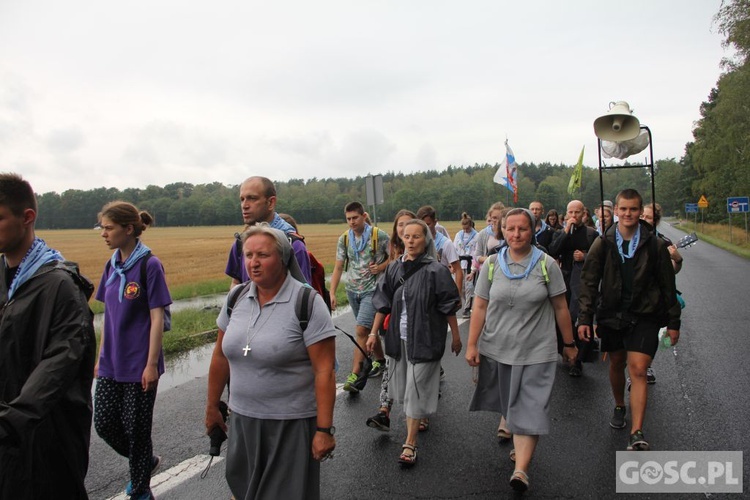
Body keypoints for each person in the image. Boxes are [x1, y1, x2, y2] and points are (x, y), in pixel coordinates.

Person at [206, 224, 336, 499]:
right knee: (244, 491)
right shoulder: (236, 297)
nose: (253, 263)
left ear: (283, 258)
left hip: (290, 423)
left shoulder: (307, 302)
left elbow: (324, 370)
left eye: (262, 255)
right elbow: (220, 355)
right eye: (248, 255)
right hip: (242, 419)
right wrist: (211, 406)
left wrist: (324, 429)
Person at [466, 208, 577, 493]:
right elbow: (479, 306)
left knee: (530, 407)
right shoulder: (491, 264)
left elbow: (561, 306)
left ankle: (521, 469)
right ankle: (519, 443)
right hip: (499, 348)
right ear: (502, 230)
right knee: (511, 405)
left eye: (523, 229)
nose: (516, 234)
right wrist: (472, 343)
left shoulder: (546, 264)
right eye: (510, 229)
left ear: (533, 230)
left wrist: (569, 343)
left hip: (538, 350)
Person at [0, 173, 96, 499]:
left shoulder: (60, 287)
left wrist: (11, 423)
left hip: (46, 449)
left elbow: (59, 364)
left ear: (27, 218)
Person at [577, 189, 681, 452]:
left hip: (645, 315)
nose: (628, 214)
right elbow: (589, 282)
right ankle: (619, 404)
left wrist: (673, 322)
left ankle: (637, 431)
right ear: (616, 211)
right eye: (623, 209)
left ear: (640, 210)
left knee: (637, 369)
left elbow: (669, 285)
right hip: (612, 314)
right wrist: (585, 318)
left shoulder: (654, 244)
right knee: (617, 364)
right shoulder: (604, 242)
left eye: (633, 209)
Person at [367, 219, 462, 467]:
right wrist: (372, 333)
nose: (410, 241)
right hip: (399, 339)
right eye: (407, 237)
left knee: (416, 389)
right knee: (407, 388)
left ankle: (410, 442)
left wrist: (457, 336)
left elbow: (448, 306)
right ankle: (415, 424)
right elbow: (382, 303)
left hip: (427, 338)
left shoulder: (437, 271)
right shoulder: (393, 269)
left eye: (416, 237)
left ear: (426, 240)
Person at [94, 201, 172, 500]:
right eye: (102, 228)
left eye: (109, 228)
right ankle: (145, 462)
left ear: (128, 229)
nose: (104, 233)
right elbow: (108, 317)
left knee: (136, 429)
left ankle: (140, 491)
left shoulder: (149, 264)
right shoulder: (111, 265)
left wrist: (151, 364)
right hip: (111, 362)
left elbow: (156, 318)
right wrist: (101, 359)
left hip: (139, 363)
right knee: (104, 424)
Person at [329, 201, 390, 393]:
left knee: (362, 330)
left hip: (372, 290)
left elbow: (396, 256)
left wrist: (381, 267)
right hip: (352, 290)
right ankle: (380, 360)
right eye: (348, 219)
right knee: (370, 330)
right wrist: (331, 292)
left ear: (363, 216)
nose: (351, 222)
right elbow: (339, 266)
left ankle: (355, 374)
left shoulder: (378, 235)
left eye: (355, 218)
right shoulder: (345, 239)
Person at [365, 209, 416, 432]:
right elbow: (384, 299)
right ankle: (384, 410)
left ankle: (418, 411)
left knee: (415, 370)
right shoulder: (393, 256)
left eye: (408, 224)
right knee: (392, 366)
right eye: (400, 225)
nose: (404, 229)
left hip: (419, 328)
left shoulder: (427, 260)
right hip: (394, 325)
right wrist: (373, 332)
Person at [225, 176, 312, 288]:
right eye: (242, 199)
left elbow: (303, 295)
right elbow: (236, 283)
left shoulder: (293, 245)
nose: (244, 205)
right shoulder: (240, 243)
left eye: (252, 198)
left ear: (271, 202)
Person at [635, 202, 684, 385]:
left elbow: (671, 273)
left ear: (656, 221)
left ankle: (645, 367)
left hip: (654, 300)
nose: (646, 221)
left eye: (650, 218)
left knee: (649, 335)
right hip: (631, 298)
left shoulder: (663, 242)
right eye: (643, 217)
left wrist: (677, 260)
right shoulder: (627, 238)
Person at [548, 200, 598, 377]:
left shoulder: (592, 234)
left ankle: (578, 359)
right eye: (571, 212)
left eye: (577, 213)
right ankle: (565, 349)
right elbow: (553, 249)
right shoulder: (560, 233)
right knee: (564, 316)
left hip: (583, 280)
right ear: (566, 214)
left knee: (579, 315)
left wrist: (584, 256)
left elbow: (600, 257)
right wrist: (566, 231)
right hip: (564, 277)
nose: (574, 216)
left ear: (584, 214)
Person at [417, 205, 463, 302]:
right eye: (422, 225)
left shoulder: (446, 243)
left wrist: (457, 295)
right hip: (421, 291)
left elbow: (458, 270)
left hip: (441, 291)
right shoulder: (415, 243)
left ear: (435, 222)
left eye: (428, 224)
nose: (425, 228)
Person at [453, 212, 479, 316]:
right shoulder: (458, 235)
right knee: (462, 288)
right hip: (460, 263)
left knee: (469, 287)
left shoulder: (476, 235)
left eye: (467, 228)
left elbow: (477, 250)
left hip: (470, 264)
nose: (465, 230)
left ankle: (467, 308)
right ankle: (469, 301)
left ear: (470, 225)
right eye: (463, 228)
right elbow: (455, 248)